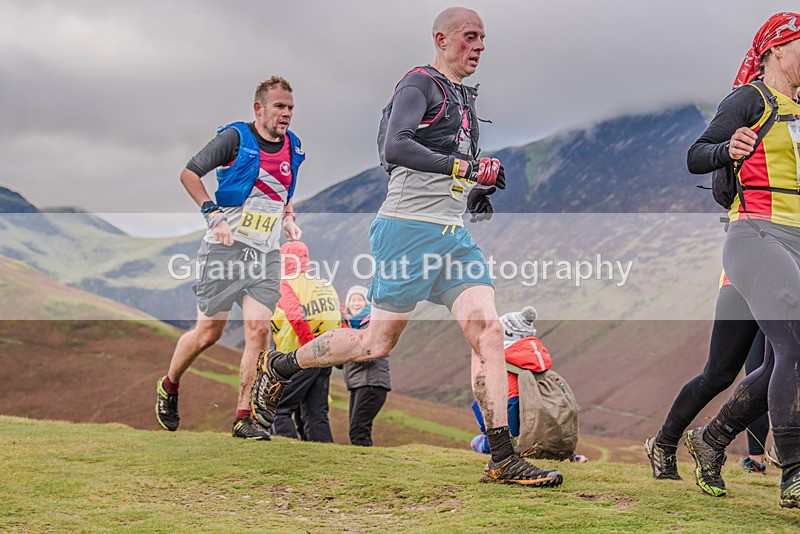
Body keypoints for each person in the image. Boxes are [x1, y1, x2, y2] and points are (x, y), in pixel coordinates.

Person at [251, 7, 563, 487]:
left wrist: (477, 188)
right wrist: (463, 170)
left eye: (483, 38)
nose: (479, 46)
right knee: (373, 342)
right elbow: (394, 149)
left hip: (451, 234)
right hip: (406, 230)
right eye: (470, 37)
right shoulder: (418, 84)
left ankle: (502, 457)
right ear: (441, 39)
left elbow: (452, 166)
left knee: (489, 333)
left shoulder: (463, 98)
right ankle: (282, 364)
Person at [683, 12, 800, 508]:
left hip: (796, 238)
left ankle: (712, 438)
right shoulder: (751, 98)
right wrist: (728, 149)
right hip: (755, 231)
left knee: (783, 354)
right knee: (792, 342)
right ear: (776, 50)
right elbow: (696, 153)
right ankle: (793, 472)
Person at [155, 76, 304, 440]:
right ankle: (169, 385)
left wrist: (287, 218)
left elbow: (280, 192)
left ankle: (244, 417)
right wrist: (213, 214)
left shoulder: (294, 147)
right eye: (279, 107)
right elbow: (189, 174)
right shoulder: (235, 138)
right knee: (208, 332)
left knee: (258, 330)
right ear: (259, 108)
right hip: (224, 251)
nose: (286, 114)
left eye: (290, 108)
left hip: (265, 254)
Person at [645, 276, 763, 479]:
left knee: (776, 375)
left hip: (786, 291)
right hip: (745, 283)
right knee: (720, 374)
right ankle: (665, 442)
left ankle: (780, 464)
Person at [469, 307, 587, 463]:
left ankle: (504, 447)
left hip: (521, 439)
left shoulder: (505, 368)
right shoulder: (539, 364)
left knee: (477, 441)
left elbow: (506, 411)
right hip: (550, 436)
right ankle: (568, 455)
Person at [269, 241, 342, 442]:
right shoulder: (323, 284)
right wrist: (341, 353)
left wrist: (311, 350)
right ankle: (324, 459)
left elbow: (295, 316)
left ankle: (287, 453)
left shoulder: (286, 283)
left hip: (300, 356)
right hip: (327, 355)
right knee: (315, 412)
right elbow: (341, 314)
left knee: (278, 407)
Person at [341, 285, 391, 447]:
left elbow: (370, 354)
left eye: (359, 300)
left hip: (371, 384)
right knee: (358, 429)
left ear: (366, 303)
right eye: (352, 300)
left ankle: (365, 464)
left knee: (358, 430)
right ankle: (366, 463)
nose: (356, 303)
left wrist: (343, 353)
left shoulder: (370, 324)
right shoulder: (352, 326)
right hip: (359, 384)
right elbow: (343, 364)